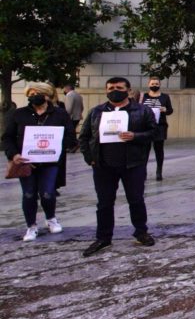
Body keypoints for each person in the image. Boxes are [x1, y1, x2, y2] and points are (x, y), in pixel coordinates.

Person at [77, 77, 158, 257]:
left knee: (136, 199)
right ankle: (103, 237)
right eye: (111, 87)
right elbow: (84, 137)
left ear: (128, 90)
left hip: (133, 164)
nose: (115, 90)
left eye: (119, 87)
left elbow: (154, 132)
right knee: (104, 203)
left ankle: (141, 232)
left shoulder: (142, 111)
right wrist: (89, 158)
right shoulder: (96, 112)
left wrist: (135, 136)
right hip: (103, 165)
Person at [2, 82, 76, 242]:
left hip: (50, 162)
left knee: (48, 193)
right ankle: (31, 226)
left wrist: (58, 147)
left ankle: (51, 218)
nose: (33, 96)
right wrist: (13, 154)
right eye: (31, 93)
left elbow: (70, 137)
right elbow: (8, 137)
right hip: (26, 162)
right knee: (28, 194)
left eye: (37, 93)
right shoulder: (19, 114)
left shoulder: (60, 114)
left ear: (47, 95)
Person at [140, 76, 173, 181]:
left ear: (159, 85)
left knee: (159, 149)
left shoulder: (165, 97)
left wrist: (165, 110)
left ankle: (159, 171)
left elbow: (170, 110)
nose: (154, 86)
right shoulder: (143, 96)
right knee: (145, 150)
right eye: (153, 84)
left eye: (156, 84)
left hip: (160, 126)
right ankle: (143, 171)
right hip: (146, 127)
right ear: (149, 84)